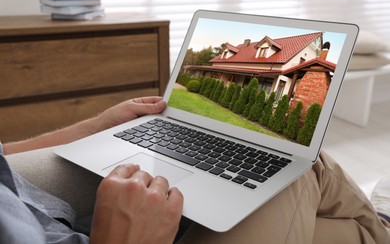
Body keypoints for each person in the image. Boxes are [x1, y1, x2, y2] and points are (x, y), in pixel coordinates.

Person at [1, 96, 390, 243]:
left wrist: (93, 127)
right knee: (293, 170)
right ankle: (381, 227)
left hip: (45, 211)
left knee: (288, 180)